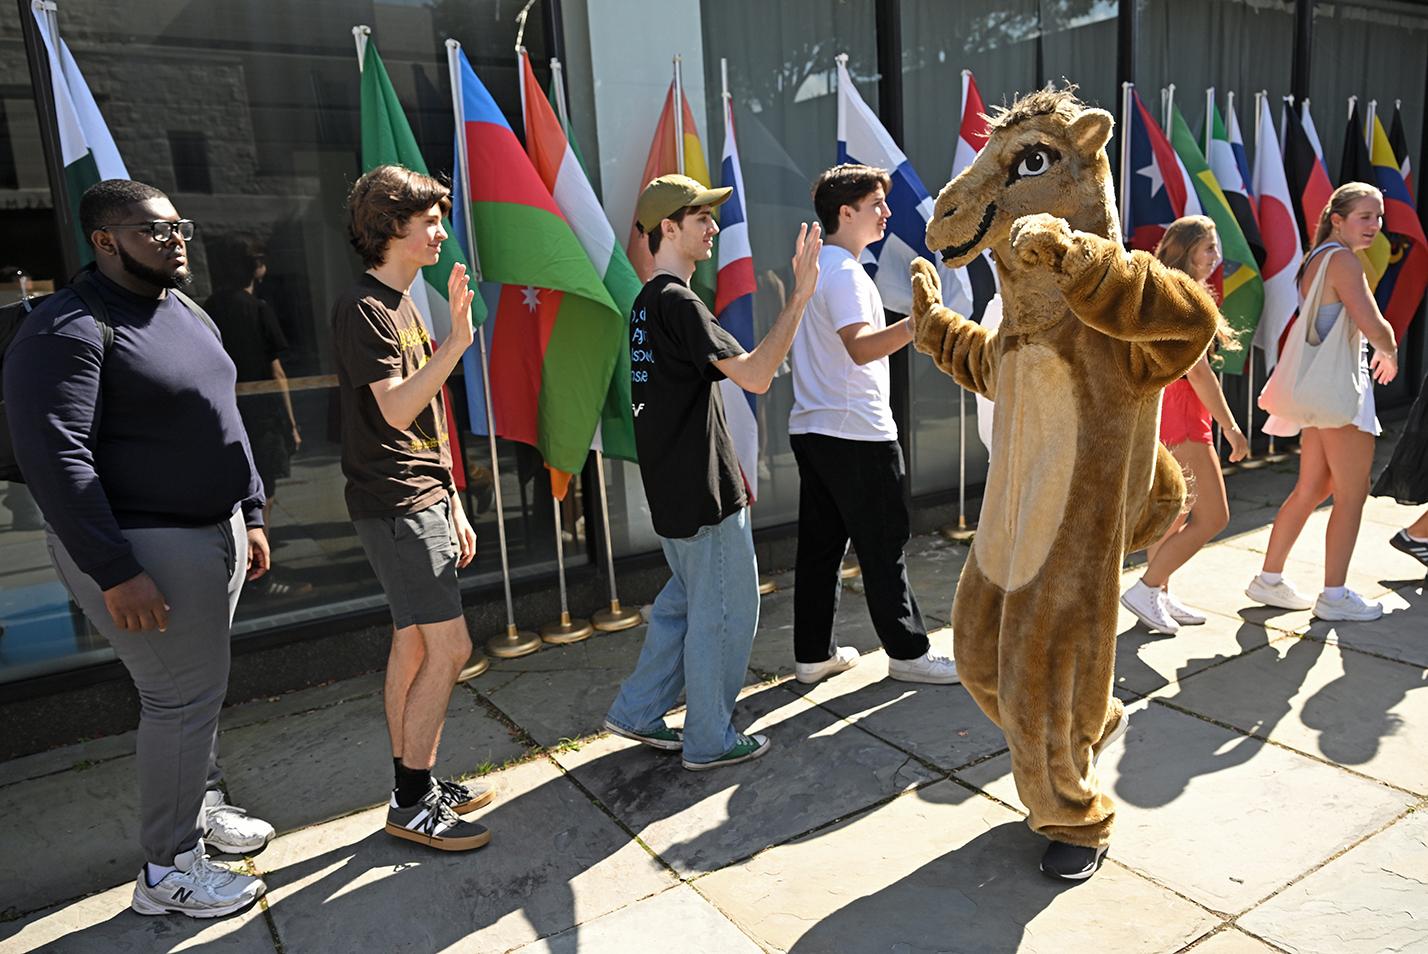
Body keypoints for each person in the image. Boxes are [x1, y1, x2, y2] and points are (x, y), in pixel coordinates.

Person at [4, 179, 275, 917]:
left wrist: (249, 508)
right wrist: (116, 569)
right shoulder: (68, 328)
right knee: (180, 698)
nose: (175, 238)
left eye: (178, 225)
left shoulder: (181, 308)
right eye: (154, 229)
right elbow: (57, 457)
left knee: (201, 689)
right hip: (143, 546)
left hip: (213, 530)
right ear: (104, 240)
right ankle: (168, 873)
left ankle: (200, 809)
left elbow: (223, 408)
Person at [603, 174, 821, 770]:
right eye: (700, 217)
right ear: (666, 228)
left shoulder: (647, 304)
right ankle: (709, 738)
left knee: (683, 603)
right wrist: (800, 296)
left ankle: (638, 710)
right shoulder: (676, 300)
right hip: (703, 492)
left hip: (674, 491)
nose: (714, 227)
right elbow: (754, 375)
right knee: (726, 609)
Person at [331, 165, 492, 851]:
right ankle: (411, 800)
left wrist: (452, 497)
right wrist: (455, 345)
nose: (440, 232)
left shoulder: (404, 302)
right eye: (427, 220)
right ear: (388, 225)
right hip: (395, 502)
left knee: (415, 641)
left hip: (421, 496)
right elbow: (396, 409)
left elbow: (428, 419)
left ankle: (415, 784)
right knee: (451, 646)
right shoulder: (364, 307)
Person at [788, 164, 958, 685]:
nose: (886, 213)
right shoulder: (843, 273)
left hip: (816, 429)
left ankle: (813, 655)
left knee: (820, 549)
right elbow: (860, 347)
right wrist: (917, 324)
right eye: (876, 204)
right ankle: (909, 654)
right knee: (884, 546)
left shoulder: (823, 270)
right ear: (846, 213)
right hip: (857, 434)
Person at [1247, 182, 1399, 620]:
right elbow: (1374, 324)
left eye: (1379, 217)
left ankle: (1269, 579)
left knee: (1313, 487)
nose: (1375, 226)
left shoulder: (1316, 258)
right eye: (1365, 217)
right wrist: (1388, 349)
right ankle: (1334, 596)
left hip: (1321, 390)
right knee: (1352, 493)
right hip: (1340, 393)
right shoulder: (1344, 261)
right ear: (1338, 219)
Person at [1120, 216, 1249, 633]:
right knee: (1214, 518)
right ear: (1188, 250)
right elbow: (1199, 374)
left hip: (1166, 408)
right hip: (1183, 414)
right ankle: (1147, 589)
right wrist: (1231, 426)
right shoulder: (1186, 295)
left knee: (1174, 515)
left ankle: (1158, 595)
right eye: (1209, 248)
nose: (1217, 257)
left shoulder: (1164, 290)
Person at [205, 233, 309, 597]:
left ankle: (239, 571)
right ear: (256, 268)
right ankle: (260, 575)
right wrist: (292, 424)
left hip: (221, 417)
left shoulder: (205, 310)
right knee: (263, 498)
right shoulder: (258, 309)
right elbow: (276, 372)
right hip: (261, 417)